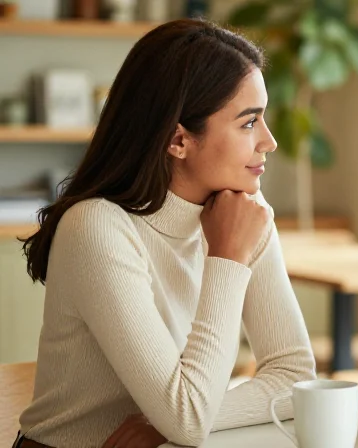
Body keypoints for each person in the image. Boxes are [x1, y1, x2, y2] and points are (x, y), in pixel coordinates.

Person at [15, 19, 316, 448]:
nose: (268, 141)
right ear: (178, 140)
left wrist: (161, 422)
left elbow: (295, 376)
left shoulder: (244, 214)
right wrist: (227, 258)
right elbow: (188, 419)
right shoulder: (98, 227)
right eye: (249, 123)